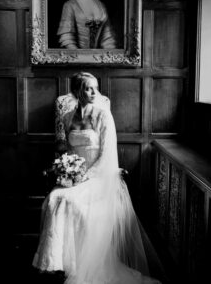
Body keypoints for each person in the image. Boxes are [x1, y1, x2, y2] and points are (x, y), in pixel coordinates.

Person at [32, 72, 163, 284]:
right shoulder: (67, 118)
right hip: (75, 174)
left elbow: (106, 155)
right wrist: (65, 171)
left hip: (98, 176)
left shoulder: (103, 116)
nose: (94, 93)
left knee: (68, 200)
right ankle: (59, 264)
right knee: (54, 198)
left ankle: (80, 266)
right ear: (77, 92)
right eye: (88, 88)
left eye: (95, 88)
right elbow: (67, 151)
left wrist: (84, 177)